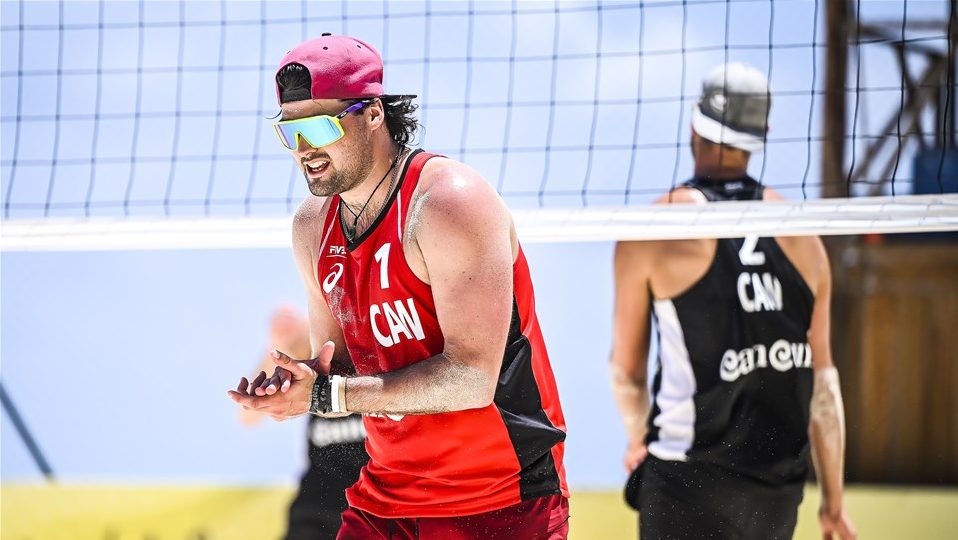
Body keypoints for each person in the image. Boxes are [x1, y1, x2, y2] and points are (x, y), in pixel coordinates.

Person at [227, 33, 569, 539]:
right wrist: (296, 384)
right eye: (290, 132)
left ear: (372, 114)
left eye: (319, 127)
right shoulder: (312, 227)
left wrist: (328, 394)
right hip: (384, 497)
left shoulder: (449, 203)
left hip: (499, 500)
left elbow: (472, 378)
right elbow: (335, 365)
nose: (304, 149)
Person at [610, 62, 857, 540]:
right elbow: (823, 386)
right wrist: (833, 503)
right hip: (776, 488)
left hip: (686, 479)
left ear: (693, 126)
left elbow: (626, 374)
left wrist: (639, 438)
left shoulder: (654, 229)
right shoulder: (803, 236)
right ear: (760, 134)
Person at [240, 305, 368, 540]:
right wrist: (277, 347)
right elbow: (248, 414)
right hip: (315, 514)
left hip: (375, 514)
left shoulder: (385, 347)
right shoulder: (320, 344)